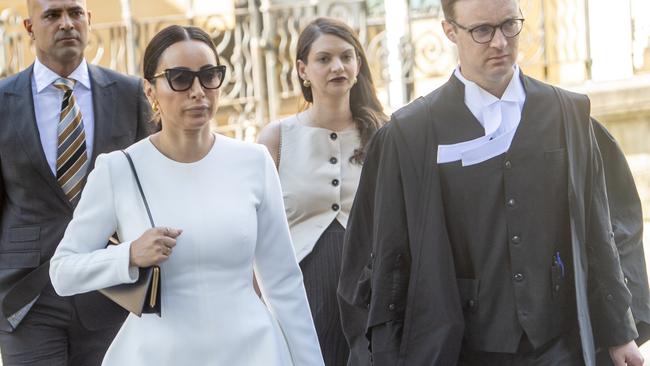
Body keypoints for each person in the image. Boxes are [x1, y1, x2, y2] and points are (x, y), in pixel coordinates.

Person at [337, 0, 650, 365]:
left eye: (509, 25)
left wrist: (619, 332)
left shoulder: (566, 115)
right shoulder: (412, 134)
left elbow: (599, 231)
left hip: (559, 344)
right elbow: (389, 255)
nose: (500, 42)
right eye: (482, 31)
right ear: (450, 31)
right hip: (463, 349)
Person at [49, 25, 325, 366]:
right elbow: (62, 272)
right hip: (158, 355)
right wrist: (128, 256)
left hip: (253, 352)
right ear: (150, 90)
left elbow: (284, 283)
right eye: (180, 78)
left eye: (209, 76)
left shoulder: (253, 162)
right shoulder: (119, 170)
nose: (198, 91)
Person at [0, 0, 152, 364]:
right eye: (52, 15)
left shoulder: (129, 94)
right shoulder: (3, 102)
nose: (66, 23)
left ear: (89, 20)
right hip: (27, 297)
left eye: (75, 13)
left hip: (112, 290)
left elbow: (149, 188)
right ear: (29, 26)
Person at [258, 17, 387, 366]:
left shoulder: (383, 136)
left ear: (358, 65)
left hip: (372, 294)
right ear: (303, 69)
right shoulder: (276, 139)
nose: (337, 66)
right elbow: (255, 232)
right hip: (300, 295)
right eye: (324, 58)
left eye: (347, 56)